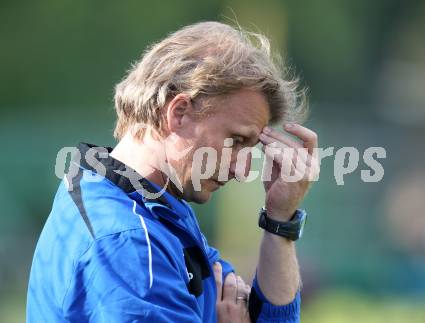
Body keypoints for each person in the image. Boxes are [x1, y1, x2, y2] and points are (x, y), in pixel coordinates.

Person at [26, 21, 319, 322]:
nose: (242, 170)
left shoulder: (152, 206)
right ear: (178, 113)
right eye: (236, 141)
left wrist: (279, 220)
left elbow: (265, 317)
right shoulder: (128, 242)